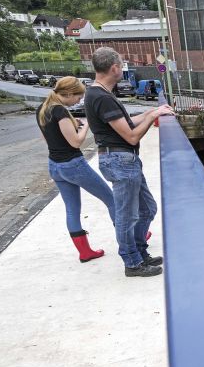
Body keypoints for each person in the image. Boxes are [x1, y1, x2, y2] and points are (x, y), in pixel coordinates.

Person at [85, 47, 174, 277]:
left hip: (123, 159)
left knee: (147, 209)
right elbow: (132, 135)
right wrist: (153, 117)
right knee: (127, 215)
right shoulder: (102, 97)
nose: (122, 68)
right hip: (120, 160)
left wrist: (149, 113)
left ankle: (140, 252)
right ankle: (132, 263)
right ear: (114, 67)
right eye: (121, 64)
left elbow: (124, 123)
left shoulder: (99, 93)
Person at [36, 76, 116, 262]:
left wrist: (73, 125)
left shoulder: (42, 109)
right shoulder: (60, 112)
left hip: (55, 166)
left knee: (72, 210)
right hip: (73, 165)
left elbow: (47, 139)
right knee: (111, 199)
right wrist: (87, 124)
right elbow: (76, 142)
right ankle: (134, 238)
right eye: (78, 97)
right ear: (69, 93)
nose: (79, 101)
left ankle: (85, 252)